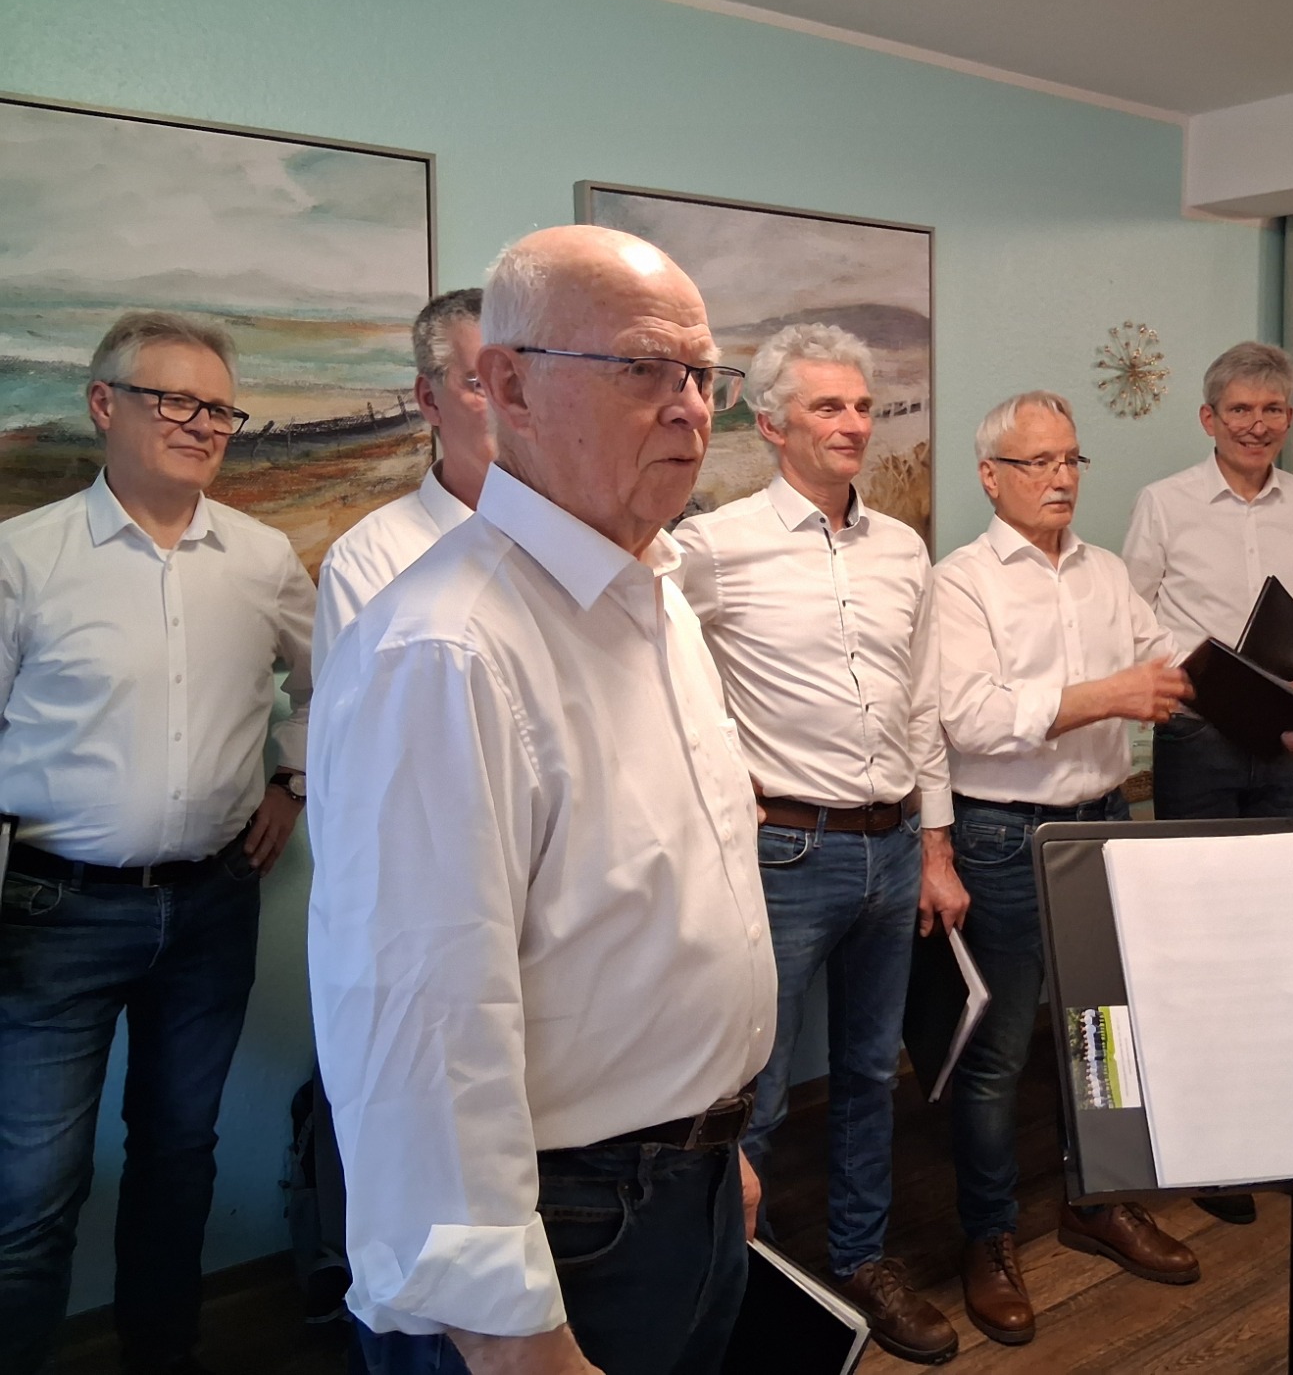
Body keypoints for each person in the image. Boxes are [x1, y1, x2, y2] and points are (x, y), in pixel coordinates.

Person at [308, 226, 776, 1375]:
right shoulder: (446, 648)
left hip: (681, 1176)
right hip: (566, 1225)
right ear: (508, 387)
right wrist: (507, 1331)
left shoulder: (650, 596)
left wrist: (712, 1131)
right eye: (644, 368)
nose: (689, 408)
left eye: (702, 375)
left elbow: (653, 913)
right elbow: (423, 1030)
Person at [0, 311, 314, 1375]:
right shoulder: (25, 559)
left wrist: (293, 780)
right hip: (53, 915)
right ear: (105, 405)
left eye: (219, 407)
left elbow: (331, 682)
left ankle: (161, 1356)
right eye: (174, 399)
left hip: (212, 905)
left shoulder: (262, 559)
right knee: (32, 1189)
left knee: (179, 1156)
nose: (202, 423)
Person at [674, 323, 961, 1365]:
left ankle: (860, 1259)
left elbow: (921, 704)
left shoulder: (903, 549)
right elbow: (649, 667)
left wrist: (935, 849)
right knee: (746, 1094)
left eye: (863, 407)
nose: (853, 425)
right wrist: (720, 764)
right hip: (785, 857)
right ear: (771, 422)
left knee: (869, 1075)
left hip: (892, 849)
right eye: (828, 406)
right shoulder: (712, 545)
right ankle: (730, 1289)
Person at [936, 391, 1200, 1348]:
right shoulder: (960, 582)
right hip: (1003, 836)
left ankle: (1098, 1201)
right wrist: (1107, 695)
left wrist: (1247, 684)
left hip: (1103, 822)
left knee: (1104, 1033)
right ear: (991, 476)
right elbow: (969, 717)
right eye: (1037, 462)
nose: (1060, 479)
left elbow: (1161, 662)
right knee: (998, 1054)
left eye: (1070, 461)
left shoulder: (1106, 572)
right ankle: (989, 1237)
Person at [1124, 341, 1293, 822]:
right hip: (1196, 732)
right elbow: (1129, 618)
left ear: (1289, 418)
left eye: (1272, 409)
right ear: (1209, 419)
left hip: (1291, 736)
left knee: (1285, 867)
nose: (1258, 425)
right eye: (1240, 410)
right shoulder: (1163, 502)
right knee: (1193, 867)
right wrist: (1185, 679)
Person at [313, 288, 495, 671]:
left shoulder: (574, 535)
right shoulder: (367, 563)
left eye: (521, 382)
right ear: (430, 400)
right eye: (480, 384)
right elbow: (353, 710)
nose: (511, 405)